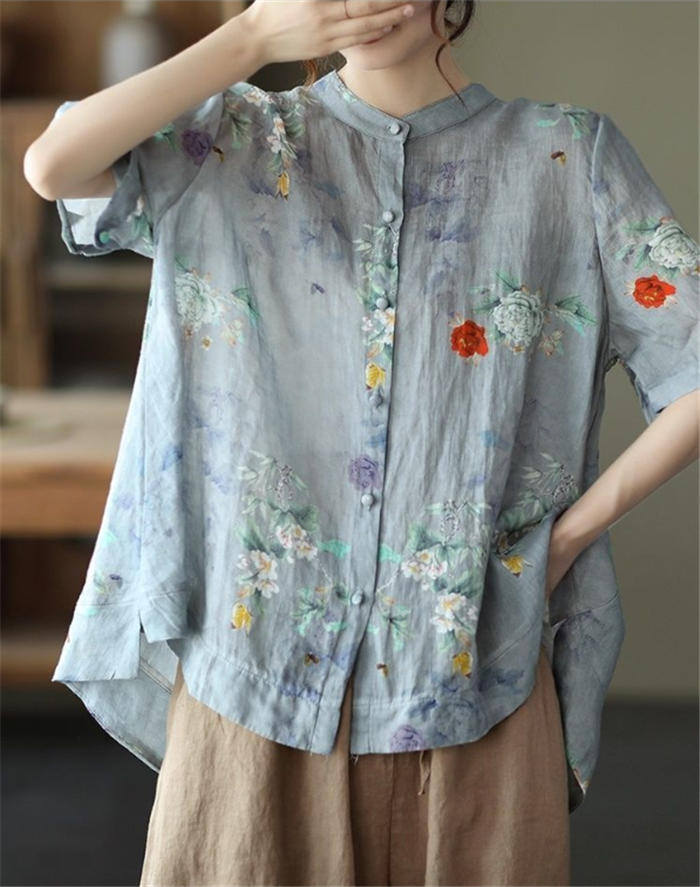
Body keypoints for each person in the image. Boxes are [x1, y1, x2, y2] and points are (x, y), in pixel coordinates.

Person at [24, 1, 699, 885]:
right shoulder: (231, 137)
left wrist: (566, 539)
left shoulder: (567, 158)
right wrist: (253, 38)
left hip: (472, 679)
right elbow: (53, 165)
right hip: (253, 680)